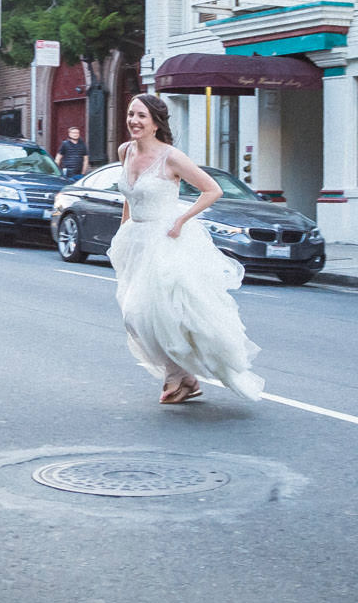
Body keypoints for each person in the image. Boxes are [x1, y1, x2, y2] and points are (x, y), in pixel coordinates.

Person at [106, 93, 265, 406]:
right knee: (136, 316)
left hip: (165, 239)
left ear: (155, 124)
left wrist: (181, 219)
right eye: (131, 114)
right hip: (135, 240)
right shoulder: (126, 151)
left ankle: (182, 377)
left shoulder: (171, 157)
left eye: (141, 116)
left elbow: (212, 189)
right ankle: (181, 378)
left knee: (153, 314)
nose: (134, 121)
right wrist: (122, 231)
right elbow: (130, 196)